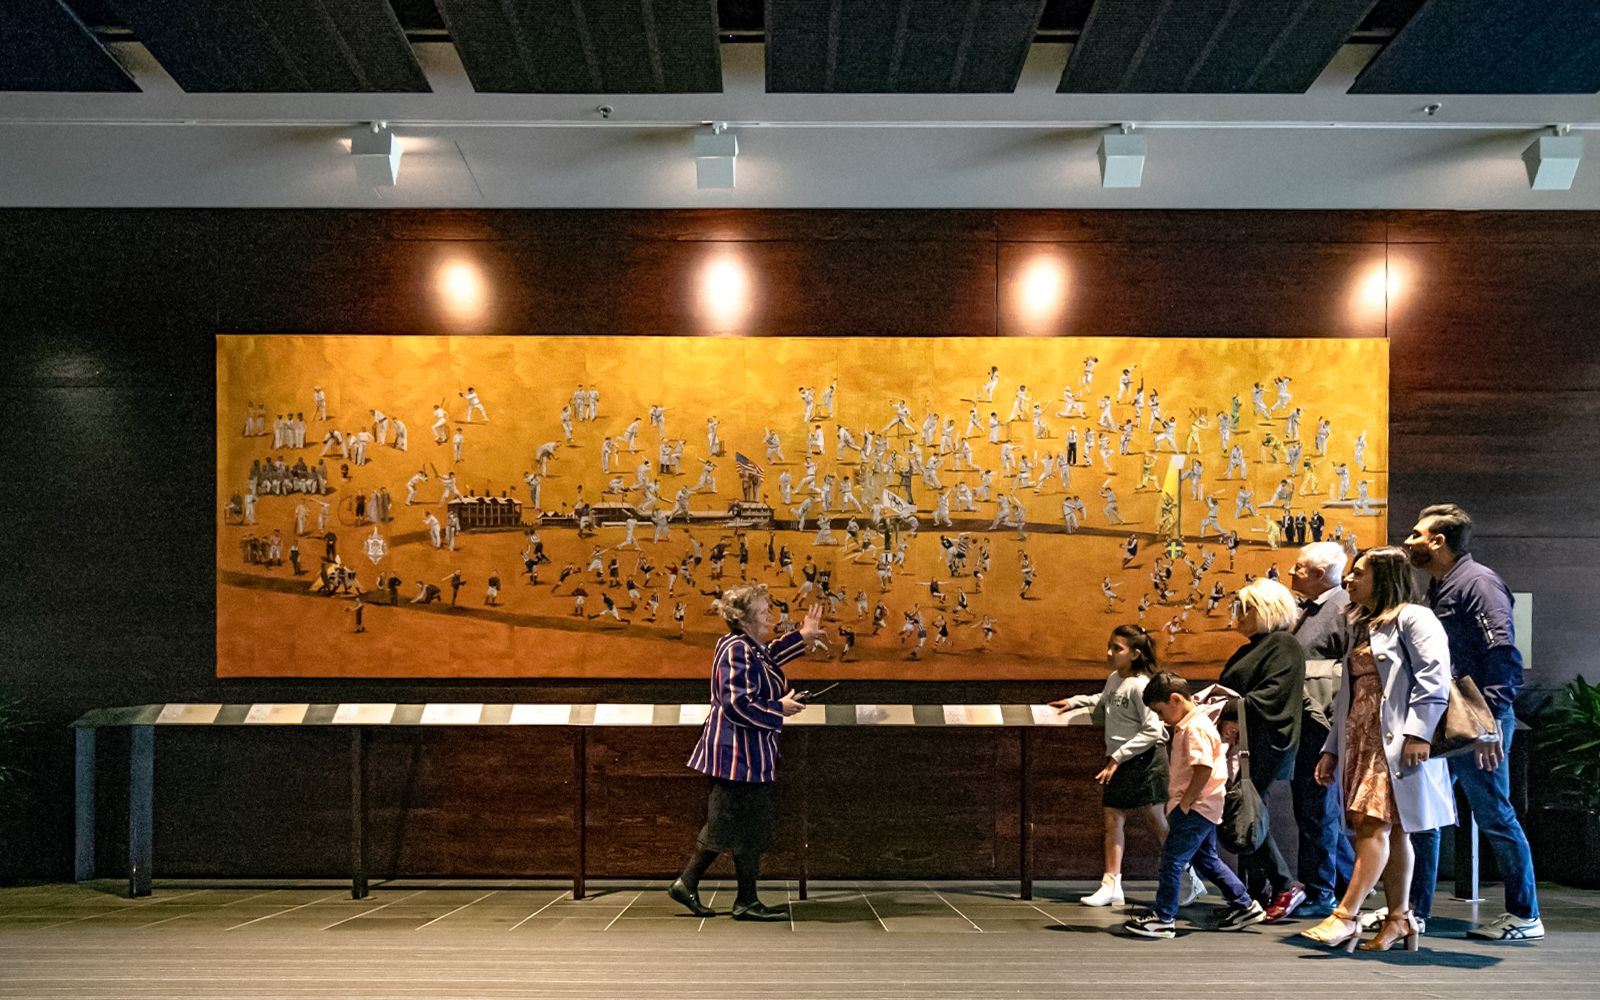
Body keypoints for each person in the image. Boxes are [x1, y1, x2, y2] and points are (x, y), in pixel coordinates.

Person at [1300, 546, 1455, 952]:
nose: (1349, 580)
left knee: (1372, 824)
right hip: (1363, 739)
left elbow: (1434, 677)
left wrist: (1420, 733)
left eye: (1359, 572)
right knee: (1394, 828)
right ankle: (1399, 919)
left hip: (1396, 740)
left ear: (1383, 577)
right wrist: (1332, 748)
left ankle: (1346, 915)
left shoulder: (1415, 618)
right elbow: (1348, 697)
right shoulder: (1365, 623)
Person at [1403, 504, 1542, 941]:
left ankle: (1525, 916)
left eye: (1416, 533)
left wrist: (1490, 724)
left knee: (1495, 816)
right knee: (1425, 815)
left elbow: (1503, 656)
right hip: (1443, 719)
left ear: (1437, 541)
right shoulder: (1440, 585)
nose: (1409, 541)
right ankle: (1412, 913)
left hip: (1475, 723)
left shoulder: (1477, 583)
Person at [669, 584, 824, 921]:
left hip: (747, 755)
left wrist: (803, 636)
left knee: (741, 825)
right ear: (744, 617)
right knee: (731, 824)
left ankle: (734, 896)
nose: (770, 614)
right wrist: (777, 708)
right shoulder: (736, 649)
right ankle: (703, 886)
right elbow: (736, 704)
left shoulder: (746, 647)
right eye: (764, 610)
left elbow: (768, 656)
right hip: (736, 755)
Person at [1049, 626, 1204, 909]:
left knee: (1157, 820)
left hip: (1145, 761)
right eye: (1109, 646)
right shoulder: (1114, 679)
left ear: (1135, 654)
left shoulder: (1142, 685)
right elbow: (1104, 699)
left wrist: (1117, 758)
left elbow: (1153, 730)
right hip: (1120, 761)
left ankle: (1189, 875)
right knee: (1113, 818)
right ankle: (1111, 884)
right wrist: (1074, 702)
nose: (1110, 653)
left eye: (1117, 648)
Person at [1123, 672, 1263, 938]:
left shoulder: (1195, 728)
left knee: (1172, 861)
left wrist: (1185, 803)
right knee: (1207, 860)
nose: (1160, 717)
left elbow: (1203, 769)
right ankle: (1245, 905)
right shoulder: (1193, 724)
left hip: (1196, 807)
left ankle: (1164, 919)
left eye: (1160, 711)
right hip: (1204, 806)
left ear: (1175, 700)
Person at [1218, 578, 1305, 915]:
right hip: (1245, 743)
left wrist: (1227, 708)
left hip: (1266, 743)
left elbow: (1273, 695)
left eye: (1245, 607)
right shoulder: (1250, 648)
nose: (1237, 613)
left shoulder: (1283, 644)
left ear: (1266, 610)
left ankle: (1284, 885)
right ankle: (1257, 894)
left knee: (1248, 812)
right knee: (1248, 811)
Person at [1282, 542, 1355, 920]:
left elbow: (1352, 669)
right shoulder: (1313, 609)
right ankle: (1346, 885)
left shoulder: (1341, 608)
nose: (1290, 571)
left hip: (1323, 725)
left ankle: (1321, 892)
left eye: (1298, 567)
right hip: (1308, 723)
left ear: (1318, 574)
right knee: (1313, 809)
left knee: (1318, 811)